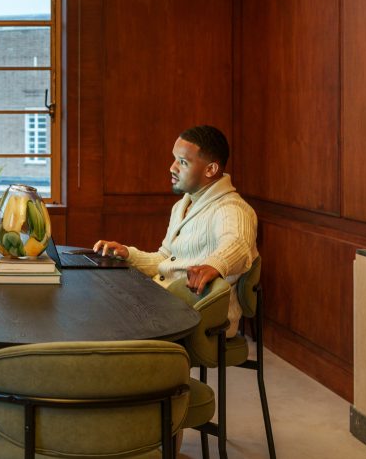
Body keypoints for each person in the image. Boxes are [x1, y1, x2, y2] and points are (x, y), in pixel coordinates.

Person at [93, 125, 257, 337]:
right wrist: (128, 253)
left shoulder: (231, 209)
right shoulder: (182, 205)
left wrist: (214, 265)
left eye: (182, 162)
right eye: (174, 159)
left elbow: (237, 244)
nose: (172, 168)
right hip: (166, 302)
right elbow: (166, 258)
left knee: (106, 315)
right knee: (101, 302)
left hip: (199, 315)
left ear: (210, 169)